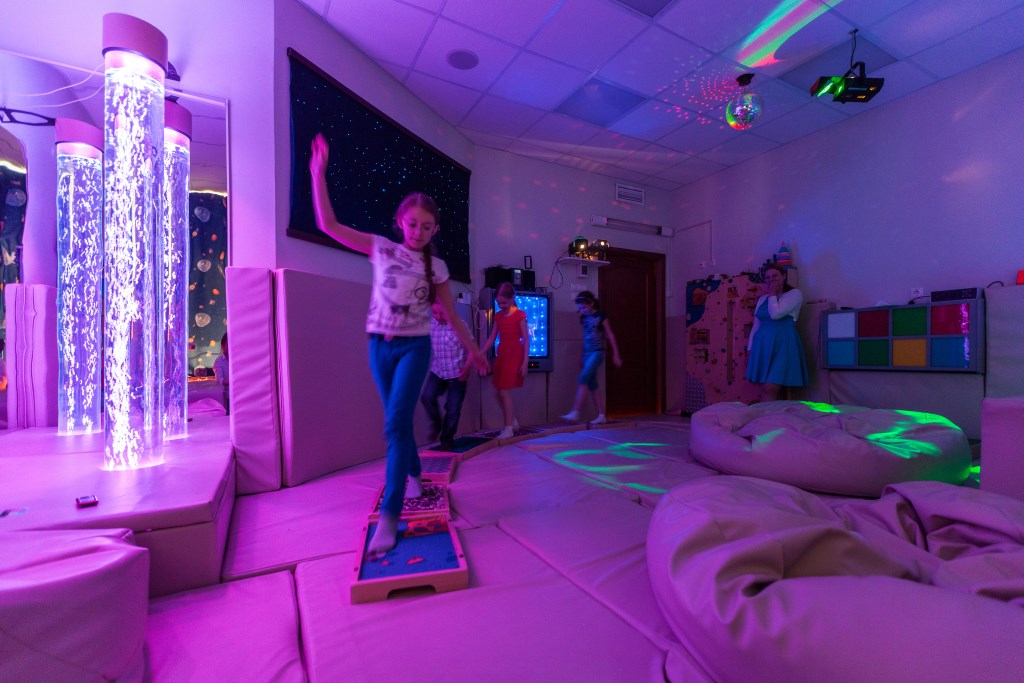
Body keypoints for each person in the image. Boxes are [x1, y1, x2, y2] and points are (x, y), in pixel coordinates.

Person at [309, 133, 487, 558]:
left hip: (414, 349)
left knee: (393, 425)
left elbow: (452, 315)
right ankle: (415, 474)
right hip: (379, 347)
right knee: (399, 424)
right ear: (400, 223)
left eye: (426, 226)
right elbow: (328, 226)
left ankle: (391, 516)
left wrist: (475, 350)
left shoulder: (437, 267)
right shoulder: (382, 248)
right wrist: (318, 174)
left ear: (435, 229)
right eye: (412, 225)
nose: (418, 232)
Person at [745, 263, 808, 402]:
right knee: (764, 386)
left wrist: (772, 294)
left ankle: (767, 415)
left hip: (783, 343)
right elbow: (756, 326)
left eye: (775, 276)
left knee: (770, 387)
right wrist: (750, 349)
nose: (771, 280)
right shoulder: (762, 299)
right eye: (767, 277)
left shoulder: (795, 294)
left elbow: (775, 314)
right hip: (762, 344)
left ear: (784, 276)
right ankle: (769, 414)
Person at [561, 290, 622, 425]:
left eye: (584, 307)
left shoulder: (600, 315)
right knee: (592, 384)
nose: (582, 310)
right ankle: (601, 415)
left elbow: (610, 334)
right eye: (580, 308)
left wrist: (616, 354)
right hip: (587, 353)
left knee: (583, 378)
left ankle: (576, 411)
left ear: (591, 304)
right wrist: (582, 356)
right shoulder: (583, 317)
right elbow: (585, 337)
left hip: (597, 353)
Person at [483, 282, 529, 440]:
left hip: (514, 355)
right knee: (498, 392)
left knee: (503, 391)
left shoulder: (520, 315)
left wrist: (525, 362)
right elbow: (492, 338)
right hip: (502, 355)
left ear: (512, 298)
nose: (501, 305)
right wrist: (480, 352)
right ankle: (512, 420)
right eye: (498, 302)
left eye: (504, 302)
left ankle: (508, 428)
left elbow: (526, 340)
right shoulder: (498, 316)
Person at [420, 300, 469, 449]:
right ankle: (437, 424)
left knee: (453, 409)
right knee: (427, 396)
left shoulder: (459, 326)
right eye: (435, 312)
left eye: (441, 313)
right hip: (438, 370)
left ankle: (446, 440)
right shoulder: (431, 325)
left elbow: (471, 349)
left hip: (457, 373)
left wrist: (467, 368)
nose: (438, 316)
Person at [213, 332, 229, 414]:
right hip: (227, 397)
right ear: (222, 346)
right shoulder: (219, 361)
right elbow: (220, 380)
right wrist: (235, 381)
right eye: (228, 344)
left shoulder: (238, 358)